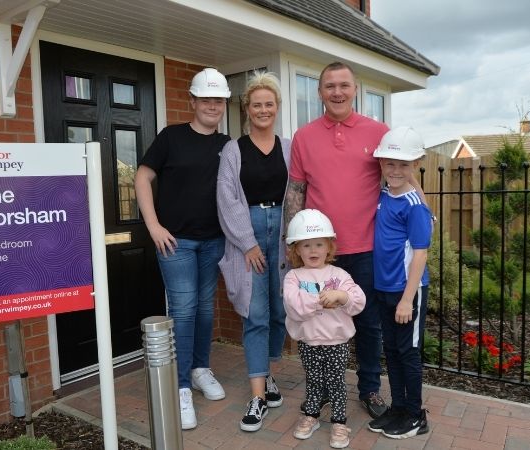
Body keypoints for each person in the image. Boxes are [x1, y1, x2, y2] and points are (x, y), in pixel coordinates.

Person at [284, 61, 425, 419]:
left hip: (366, 248)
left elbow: (403, 172)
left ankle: (370, 390)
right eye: (329, 85)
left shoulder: (378, 131)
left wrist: (423, 213)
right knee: (317, 323)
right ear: (319, 92)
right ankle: (324, 388)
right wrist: (292, 246)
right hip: (319, 253)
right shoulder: (303, 136)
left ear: (355, 89)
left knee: (367, 323)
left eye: (344, 85)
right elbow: (297, 190)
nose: (337, 92)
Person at [133, 67, 231, 430]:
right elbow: (142, 177)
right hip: (176, 241)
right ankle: (181, 387)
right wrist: (153, 225)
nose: (212, 106)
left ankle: (201, 368)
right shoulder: (171, 137)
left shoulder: (227, 145)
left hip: (213, 241)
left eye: (218, 101)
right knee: (185, 310)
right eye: (205, 99)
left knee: (206, 309)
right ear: (192, 101)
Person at [216, 72, 290, 432]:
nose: (263, 109)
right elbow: (227, 199)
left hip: (283, 239)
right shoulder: (234, 149)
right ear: (247, 108)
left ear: (277, 108)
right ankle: (258, 396)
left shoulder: (288, 147)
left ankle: (268, 372)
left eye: (269, 104)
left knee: (279, 314)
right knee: (256, 314)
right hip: (250, 236)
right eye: (256, 104)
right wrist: (247, 243)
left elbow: (298, 195)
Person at [366, 126, 432, 439]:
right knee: (391, 350)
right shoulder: (383, 193)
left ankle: (416, 415)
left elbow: (420, 254)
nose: (395, 170)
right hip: (384, 289)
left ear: (415, 165)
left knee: (408, 352)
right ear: (381, 163)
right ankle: (399, 406)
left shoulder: (414, 206)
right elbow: (395, 176)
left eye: (403, 164)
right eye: (389, 163)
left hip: (408, 291)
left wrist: (408, 299)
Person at [283, 209, 365, 449]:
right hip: (308, 342)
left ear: (329, 247)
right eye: (306, 246)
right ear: (296, 249)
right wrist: (322, 299)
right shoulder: (293, 277)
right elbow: (293, 304)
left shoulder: (339, 275)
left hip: (337, 342)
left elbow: (358, 300)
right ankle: (311, 416)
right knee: (313, 380)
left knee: (337, 382)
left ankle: (339, 422)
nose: (313, 251)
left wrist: (341, 296)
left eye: (319, 244)